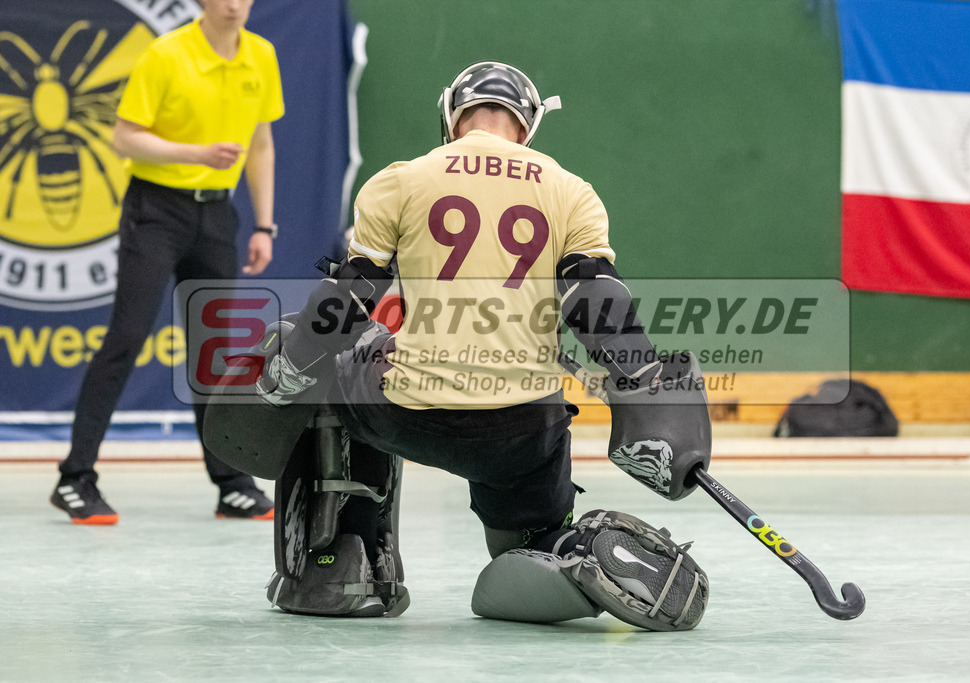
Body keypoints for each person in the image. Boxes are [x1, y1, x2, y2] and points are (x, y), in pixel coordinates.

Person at [204, 62, 713, 631]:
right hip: (520, 434)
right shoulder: (572, 191)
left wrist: (289, 370)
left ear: (452, 115)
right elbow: (598, 309)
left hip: (409, 415)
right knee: (521, 555)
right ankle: (562, 559)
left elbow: (346, 302)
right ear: (529, 124)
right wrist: (644, 380)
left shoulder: (402, 179)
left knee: (336, 358)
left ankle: (344, 565)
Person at [50, 0, 284, 525]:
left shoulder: (261, 56)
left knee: (214, 350)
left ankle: (232, 484)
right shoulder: (165, 54)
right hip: (155, 210)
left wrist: (264, 225)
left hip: (217, 216)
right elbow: (124, 137)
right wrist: (196, 154)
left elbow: (262, 143)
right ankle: (74, 478)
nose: (233, 4)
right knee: (127, 336)